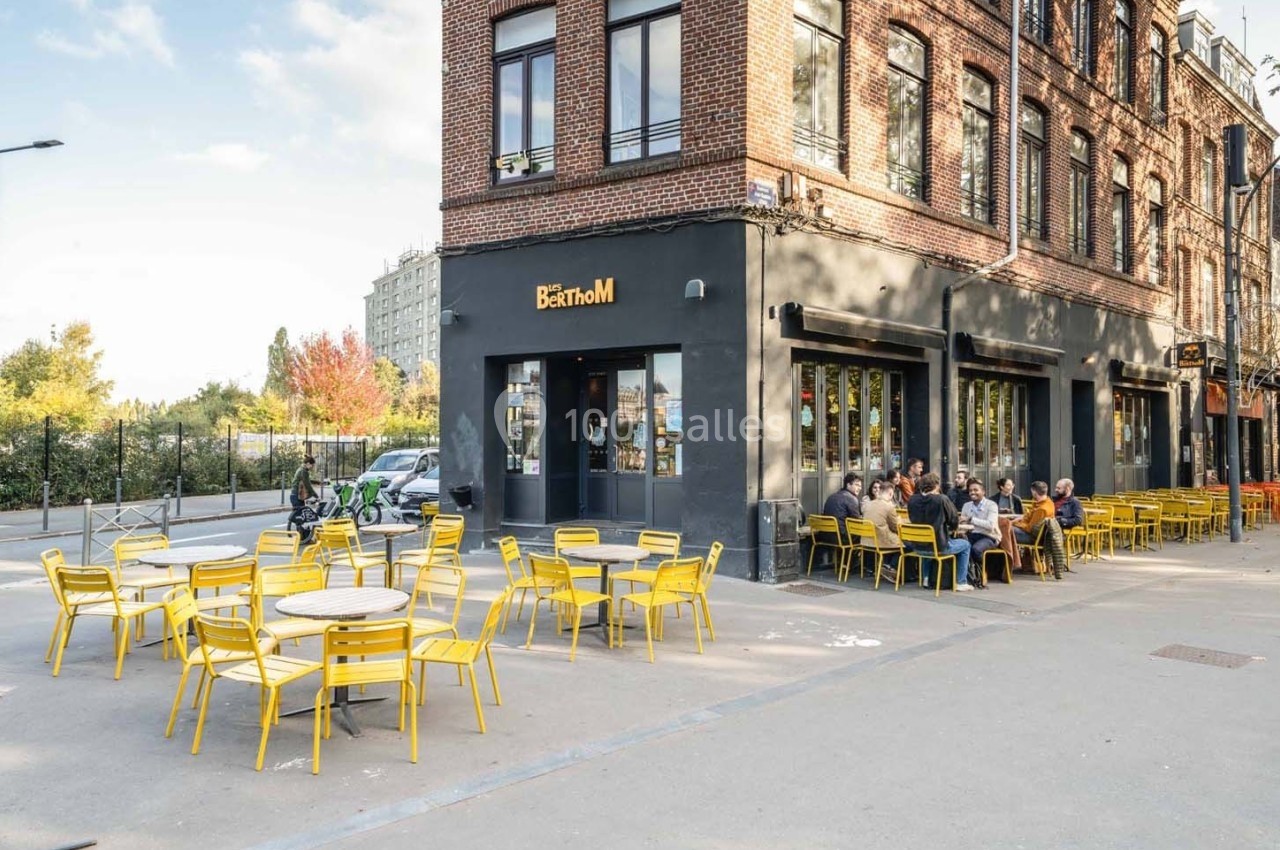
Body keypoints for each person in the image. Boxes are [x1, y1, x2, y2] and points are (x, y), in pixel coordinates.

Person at [907, 472, 973, 591]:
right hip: (939, 547)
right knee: (966, 545)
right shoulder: (942, 499)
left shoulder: (912, 499)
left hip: (918, 548)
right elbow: (953, 521)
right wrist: (952, 527)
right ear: (937, 485)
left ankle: (926, 578)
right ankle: (961, 581)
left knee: (928, 541)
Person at [960, 479, 1000, 585]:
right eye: (970, 491)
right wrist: (960, 527)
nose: (972, 493)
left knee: (976, 549)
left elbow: (990, 525)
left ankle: (983, 572)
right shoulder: (966, 506)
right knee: (960, 546)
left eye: (975, 490)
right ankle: (967, 576)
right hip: (972, 534)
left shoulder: (991, 505)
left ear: (983, 492)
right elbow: (964, 524)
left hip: (989, 536)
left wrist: (971, 519)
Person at [860, 481, 902, 581]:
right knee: (907, 545)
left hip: (867, 540)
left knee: (894, 539)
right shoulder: (889, 507)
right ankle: (891, 567)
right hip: (881, 541)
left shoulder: (868, 504)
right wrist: (900, 519)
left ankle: (886, 566)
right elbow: (896, 527)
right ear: (891, 493)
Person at [288, 455, 318, 533]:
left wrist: (317, 482)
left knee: (299, 516)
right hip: (297, 496)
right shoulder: (304, 471)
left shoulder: (300, 469)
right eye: (312, 465)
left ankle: (301, 536)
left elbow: (306, 480)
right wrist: (315, 495)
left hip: (294, 495)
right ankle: (305, 537)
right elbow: (307, 484)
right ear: (308, 463)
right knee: (303, 517)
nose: (312, 467)